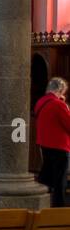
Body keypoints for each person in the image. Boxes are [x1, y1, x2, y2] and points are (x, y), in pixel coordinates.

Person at [34, 77, 70, 207]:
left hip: (45, 144)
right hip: (60, 146)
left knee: (46, 176)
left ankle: (41, 202)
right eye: (63, 92)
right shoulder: (59, 105)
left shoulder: (40, 102)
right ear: (59, 90)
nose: (63, 95)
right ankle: (58, 208)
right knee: (60, 180)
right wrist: (66, 106)